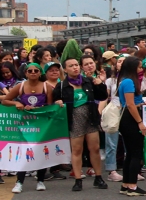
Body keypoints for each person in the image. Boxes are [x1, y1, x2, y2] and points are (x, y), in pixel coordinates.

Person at [53, 57, 109, 192]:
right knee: (77, 150)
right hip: (74, 119)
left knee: (94, 148)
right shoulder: (61, 86)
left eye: (77, 65)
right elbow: (54, 101)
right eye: (71, 66)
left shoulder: (88, 81)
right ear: (65, 69)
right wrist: (57, 102)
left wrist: (99, 83)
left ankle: (98, 177)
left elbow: (102, 96)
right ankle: (78, 179)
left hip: (90, 118)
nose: (75, 68)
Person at [2, 63, 54, 192]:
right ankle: (19, 182)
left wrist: (41, 109)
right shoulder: (20, 86)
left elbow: (51, 106)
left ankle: (40, 180)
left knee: (41, 151)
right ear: (25, 73)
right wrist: (17, 103)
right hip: (25, 124)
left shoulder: (47, 87)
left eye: (36, 70)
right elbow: (5, 100)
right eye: (30, 70)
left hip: (41, 124)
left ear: (40, 73)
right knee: (24, 153)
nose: (33, 72)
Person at [116, 56, 146, 196]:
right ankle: (132, 185)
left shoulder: (123, 81)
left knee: (130, 153)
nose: (141, 69)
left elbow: (131, 103)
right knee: (136, 153)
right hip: (131, 118)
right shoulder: (130, 82)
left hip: (127, 117)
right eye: (138, 67)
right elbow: (130, 105)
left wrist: (143, 102)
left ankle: (126, 184)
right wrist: (140, 122)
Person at [104, 54, 126, 183]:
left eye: (124, 61)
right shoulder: (110, 81)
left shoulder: (132, 79)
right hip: (114, 111)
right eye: (119, 61)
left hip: (127, 110)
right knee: (112, 142)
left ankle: (131, 169)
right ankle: (111, 170)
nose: (121, 63)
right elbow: (105, 97)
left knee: (129, 141)